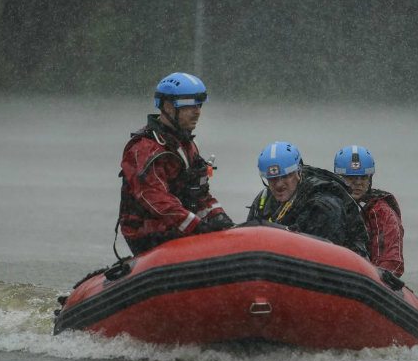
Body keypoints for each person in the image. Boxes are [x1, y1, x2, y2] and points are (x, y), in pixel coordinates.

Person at [118, 72, 233, 255]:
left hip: (179, 229)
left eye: (199, 105)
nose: (197, 112)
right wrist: (198, 227)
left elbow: (200, 194)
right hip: (149, 235)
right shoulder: (145, 149)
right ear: (168, 107)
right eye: (190, 106)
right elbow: (156, 200)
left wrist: (220, 219)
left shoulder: (186, 146)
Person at [247, 141, 368, 257]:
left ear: (298, 171)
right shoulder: (264, 200)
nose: (279, 185)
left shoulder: (324, 204)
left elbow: (322, 255)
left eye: (285, 176)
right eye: (272, 179)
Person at [334, 145, 405, 276]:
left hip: (368, 278)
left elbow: (391, 260)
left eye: (363, 177)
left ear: (370, 179)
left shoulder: (382, 212)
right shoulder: (329, 206)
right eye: (351, 177)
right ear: (339, 178)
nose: (358, 183)